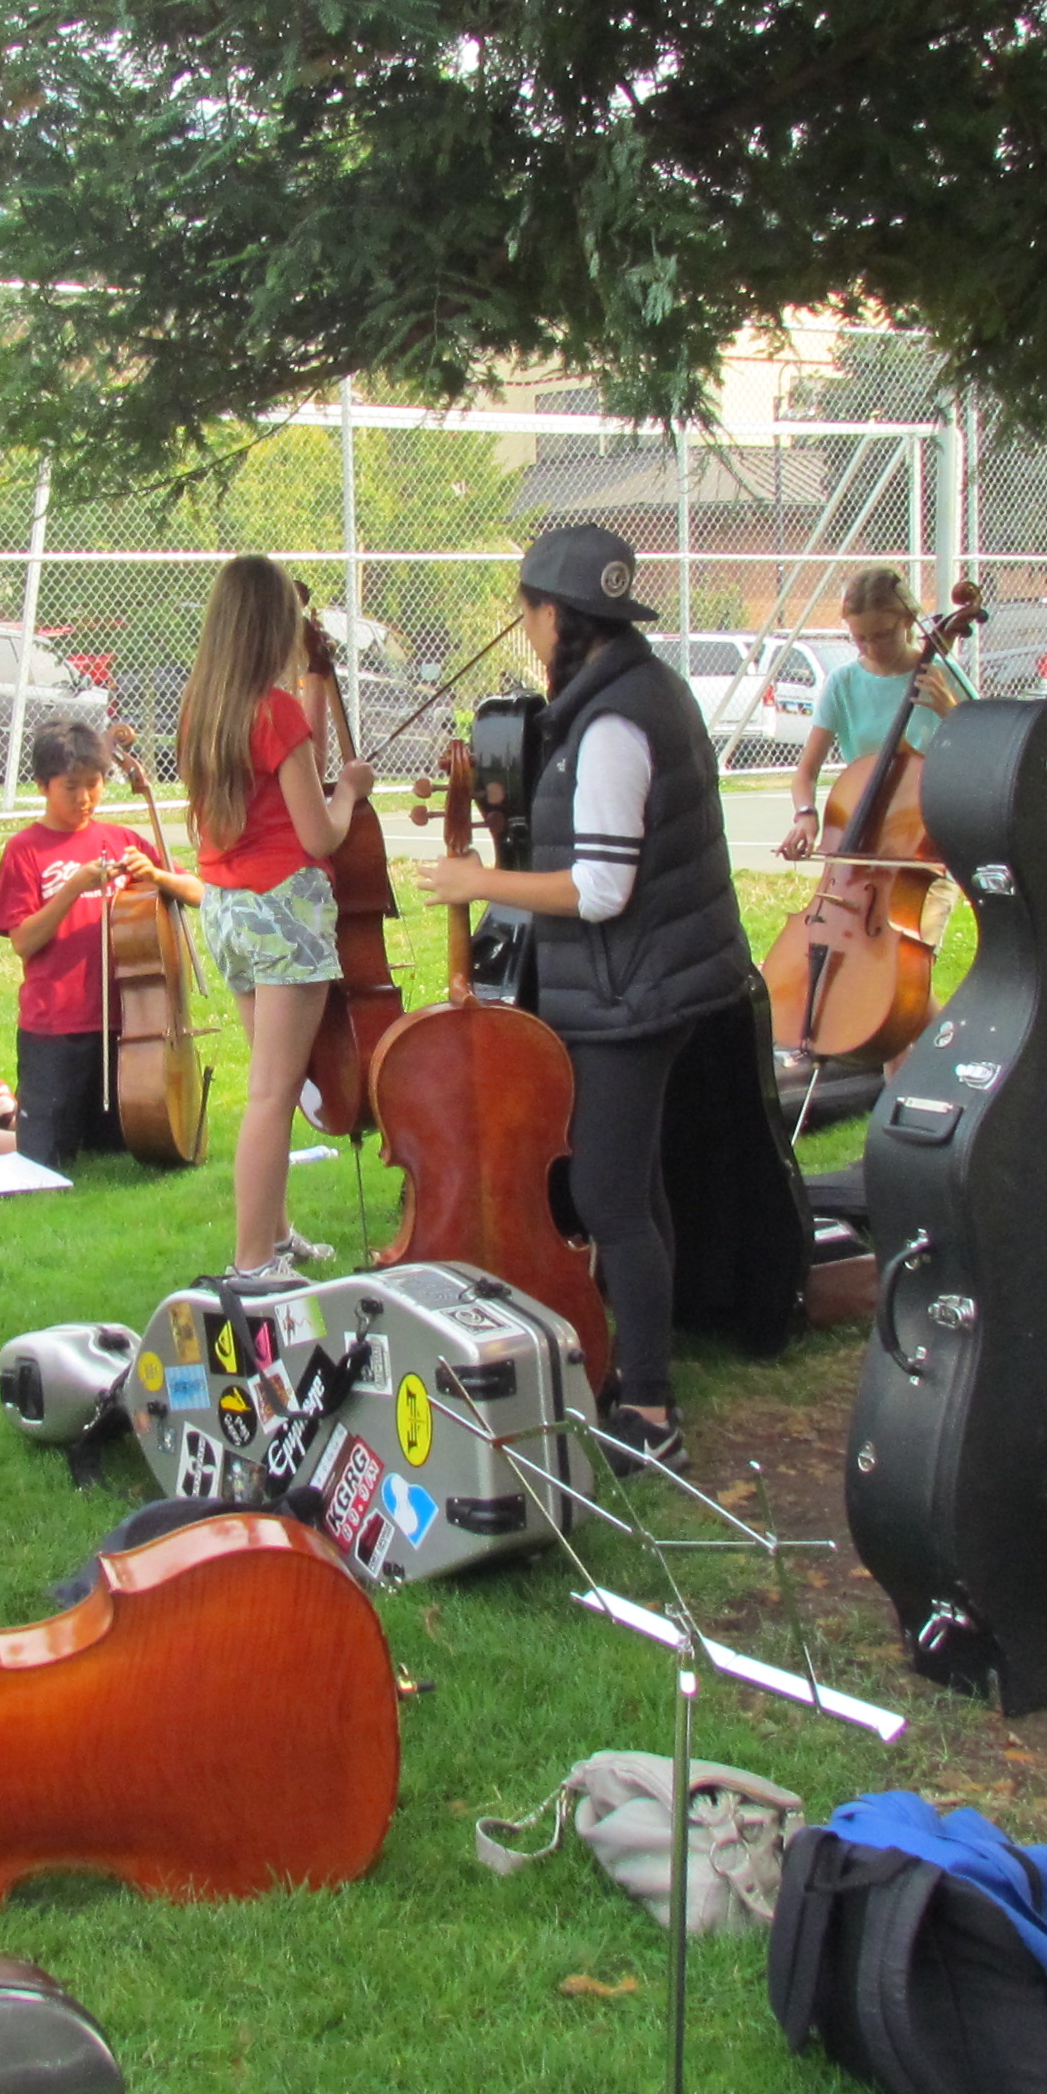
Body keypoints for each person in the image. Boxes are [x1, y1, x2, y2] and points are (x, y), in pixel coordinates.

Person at [408, 523, 758, 1464]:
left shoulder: (610, 725)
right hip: (653, 978)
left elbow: (602, 889)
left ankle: (649, 1410)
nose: (526, 630)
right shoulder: (643, 689)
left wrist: (479, 882)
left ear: (559, 617)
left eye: (529, 614)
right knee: (635, 1185)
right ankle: (641, 1361)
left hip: (626, 990)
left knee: (608, 1196)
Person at [175, 553, 369, 1280]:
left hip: (228, 908)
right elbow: (320, 833)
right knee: (273, 1092)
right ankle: (253, 1263)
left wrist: (314, 697)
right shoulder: (275, 710)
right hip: (285, 907)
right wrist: (350, 790)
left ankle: (277, 1234)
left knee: (270, 1085)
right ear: (275, 626)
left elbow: (284, 773)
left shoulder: (207, 707)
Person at [0, 714, 202, 1172]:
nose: (84, 798)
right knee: (44, 1159)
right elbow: (24, 941)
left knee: (123, 1145)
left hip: (127, 1024)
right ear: (42, 786)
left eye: (94, 785)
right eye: (70, 787)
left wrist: (158, 876)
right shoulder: (25, 850)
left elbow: (198, 893)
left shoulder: (123, 839)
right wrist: (73, 887)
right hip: (57, 1024)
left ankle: (6, 1106)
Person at [777, 565, 971, 864]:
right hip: (861, 825)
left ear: (907, 620)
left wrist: (950, 710)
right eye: (860, 638)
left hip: (926, 829)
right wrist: (805, 815)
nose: (871, 648)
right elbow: (806, 772)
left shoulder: (941, 676)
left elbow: (983, 756)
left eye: (883, 635)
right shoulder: (842, 683)